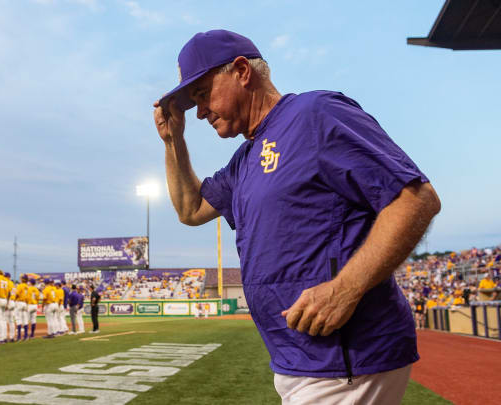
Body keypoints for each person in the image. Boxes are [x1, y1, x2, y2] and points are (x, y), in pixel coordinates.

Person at [153, 30, 441, 404]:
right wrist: (173, 139)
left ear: (242, 71)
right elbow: (190, 210)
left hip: (346, 356)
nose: (202, 111)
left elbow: (416, 199)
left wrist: (346, 287)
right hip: (302, 359)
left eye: (204, 94)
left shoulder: (314, 114)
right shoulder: (244, 159)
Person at [14, 275, 28, 343]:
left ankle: (19, 336)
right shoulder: (27, 286)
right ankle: (25, 336)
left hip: (19, 303)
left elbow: (17, 294)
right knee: (25, 319)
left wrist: (14, 299)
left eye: (21, 278)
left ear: (22, 279)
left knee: (18, 319)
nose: (20, 279)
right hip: (25, 303)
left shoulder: (20, 285)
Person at [4, 273, 17, 342]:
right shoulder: (13, 284)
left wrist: (7, 303)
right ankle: (12, 337)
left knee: (5, 320)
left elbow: (8, 293)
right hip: (13, 302)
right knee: (11, 321)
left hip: (8, 301)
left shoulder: (7, 283)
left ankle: (4, 337)